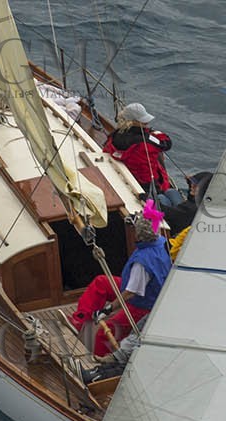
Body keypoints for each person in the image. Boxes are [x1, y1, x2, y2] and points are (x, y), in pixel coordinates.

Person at [69, 214, 171, 357]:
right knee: (101, 283)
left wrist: (108, 309)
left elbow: (131, 293)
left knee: (106, 333)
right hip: (149, 290)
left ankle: (100, 360)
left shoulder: (142, 263)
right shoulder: (160, 242)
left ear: (138, 235)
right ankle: (80, 320)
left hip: (142, 306)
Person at [107, 103, 176, 205]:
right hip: (149, 185)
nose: (147, 123)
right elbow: (166, 143)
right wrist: (153, 133)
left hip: (132, 177)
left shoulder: (115, 136)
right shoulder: (146, 142)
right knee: (171, 194)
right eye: (144, 122)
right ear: (134, 122)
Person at [162, 171, 213, 239]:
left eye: (196, 185)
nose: (192, 185)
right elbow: (191, 199)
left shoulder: (191, 208)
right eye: (193, 183)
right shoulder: (205, 200)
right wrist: (190, 183)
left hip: (177, 228)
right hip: (183, 215)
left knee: (161, 198)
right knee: (171, 192)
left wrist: (150, 201)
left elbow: (165, 212)